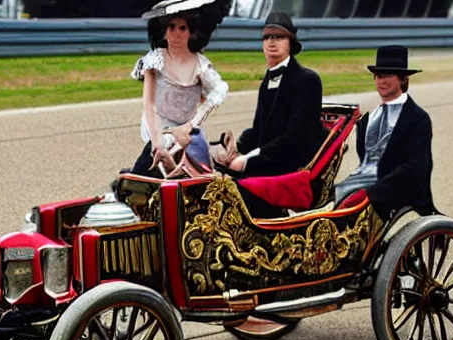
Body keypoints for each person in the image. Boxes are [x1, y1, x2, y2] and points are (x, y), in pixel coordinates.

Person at [220, 12, 328, 217]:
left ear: (291, 43)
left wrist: (247, 160)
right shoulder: (266, 81)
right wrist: (237, 148)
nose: (272, 42)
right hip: (271, 157)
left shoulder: (307, 80)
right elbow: (259, 130)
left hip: (292, 161)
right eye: (268, 37)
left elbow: (296, 138)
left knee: (237, 180)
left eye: (279, 37)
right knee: (216, 173)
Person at [128, 2, 230, 177]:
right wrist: (157, 143)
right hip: (158, 129)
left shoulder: (201, 65)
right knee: (145, 173)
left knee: (201, 179)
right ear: (164, 30)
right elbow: (149, 106)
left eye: (182, 28)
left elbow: (219, 90)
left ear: (191, 32)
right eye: (171, 27)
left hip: (189, 132)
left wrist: (190, 126)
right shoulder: (154, 61)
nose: (176, 34)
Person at [335, 45, 436, 220]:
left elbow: (417, 167)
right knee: (330, 201)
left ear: (403, 79)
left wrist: (374, 190)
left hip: (399, 190)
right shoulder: (368, 119)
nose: (382, 81)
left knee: (349, 204)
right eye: (379, 76)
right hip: (360, 184)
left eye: (388, 75)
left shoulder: (418, 119)